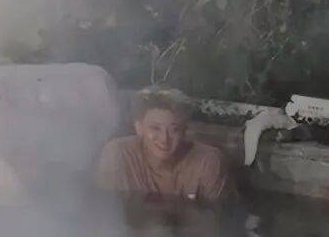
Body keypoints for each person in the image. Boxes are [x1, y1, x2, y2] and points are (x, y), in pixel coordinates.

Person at [95, 86, 234, 203]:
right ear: (139, 128)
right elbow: (102, 212)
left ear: (184, 130)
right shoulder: (119, 154)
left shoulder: (207, 162)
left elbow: (221, 219)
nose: (164, 139)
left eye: (174, 129)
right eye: (155, 128)